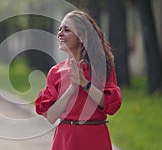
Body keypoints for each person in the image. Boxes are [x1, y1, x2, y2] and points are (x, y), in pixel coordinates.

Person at [35, 10, 122, 150]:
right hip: (64, 139)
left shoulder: (101, 68)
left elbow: (110, 105)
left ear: (82, 36)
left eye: (67, 30)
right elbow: (51, 117)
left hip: (94, 138)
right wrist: (72, 88)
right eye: (60, 29)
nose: (60, 33)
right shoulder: (55, 72)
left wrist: (85, 84)